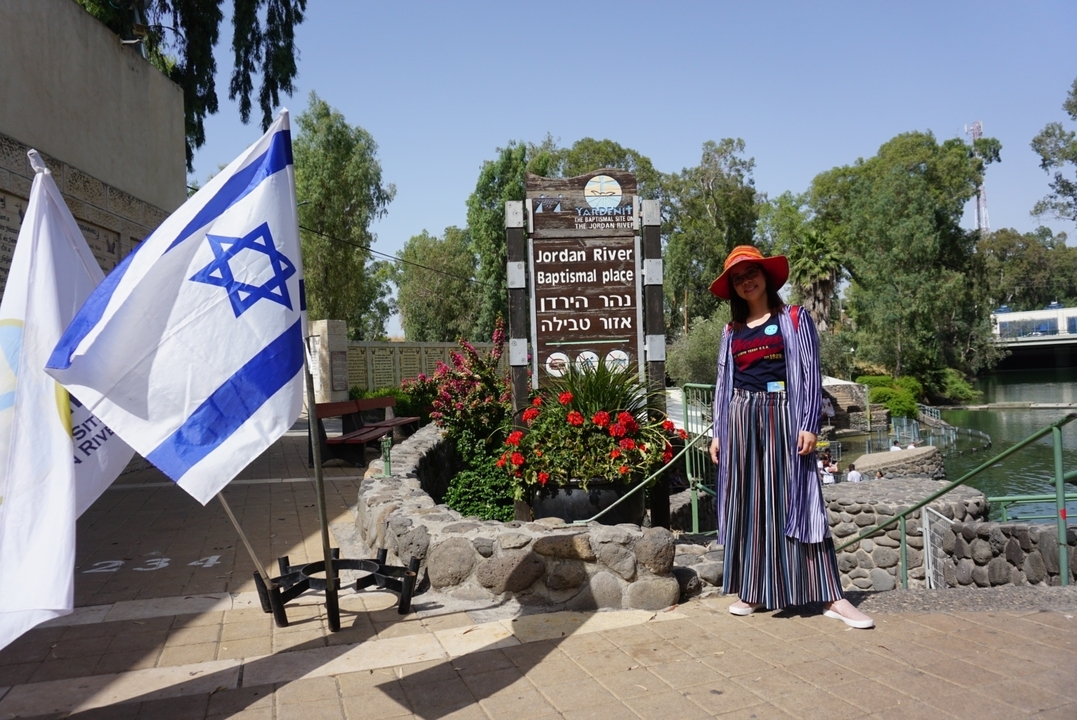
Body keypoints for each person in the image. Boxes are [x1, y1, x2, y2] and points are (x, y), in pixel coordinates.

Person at [708, 245, 873, 629]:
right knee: (749, 503)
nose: (746, 282)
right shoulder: (731, 331)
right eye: (738, 278)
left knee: (800, 500)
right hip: (742, 418)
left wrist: (809, 424)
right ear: (733, 288)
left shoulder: (795, 319)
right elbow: (723, 383)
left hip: (784, 415)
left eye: (751, 273)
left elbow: (811, 373)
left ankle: (833, 598)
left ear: (765, 276)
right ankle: (751, 590)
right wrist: (719, 432)